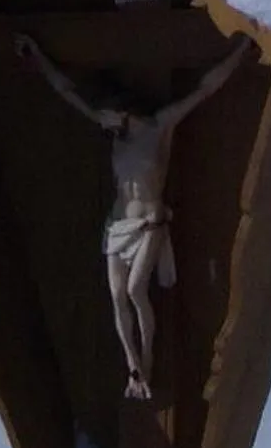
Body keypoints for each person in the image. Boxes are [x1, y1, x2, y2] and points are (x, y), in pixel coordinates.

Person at [14, 28, 254, 399]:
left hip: (148, 223)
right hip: (118, 224)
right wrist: (36, 55)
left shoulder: (157, 128)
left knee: (135, 290)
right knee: (116, 295)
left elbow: (205, 90)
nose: (105, 119)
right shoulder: (115, 135)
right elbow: (67, 92)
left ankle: (148, 359)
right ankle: (134, 369)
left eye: (110, 114)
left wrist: (241, 48)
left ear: (124, 112)